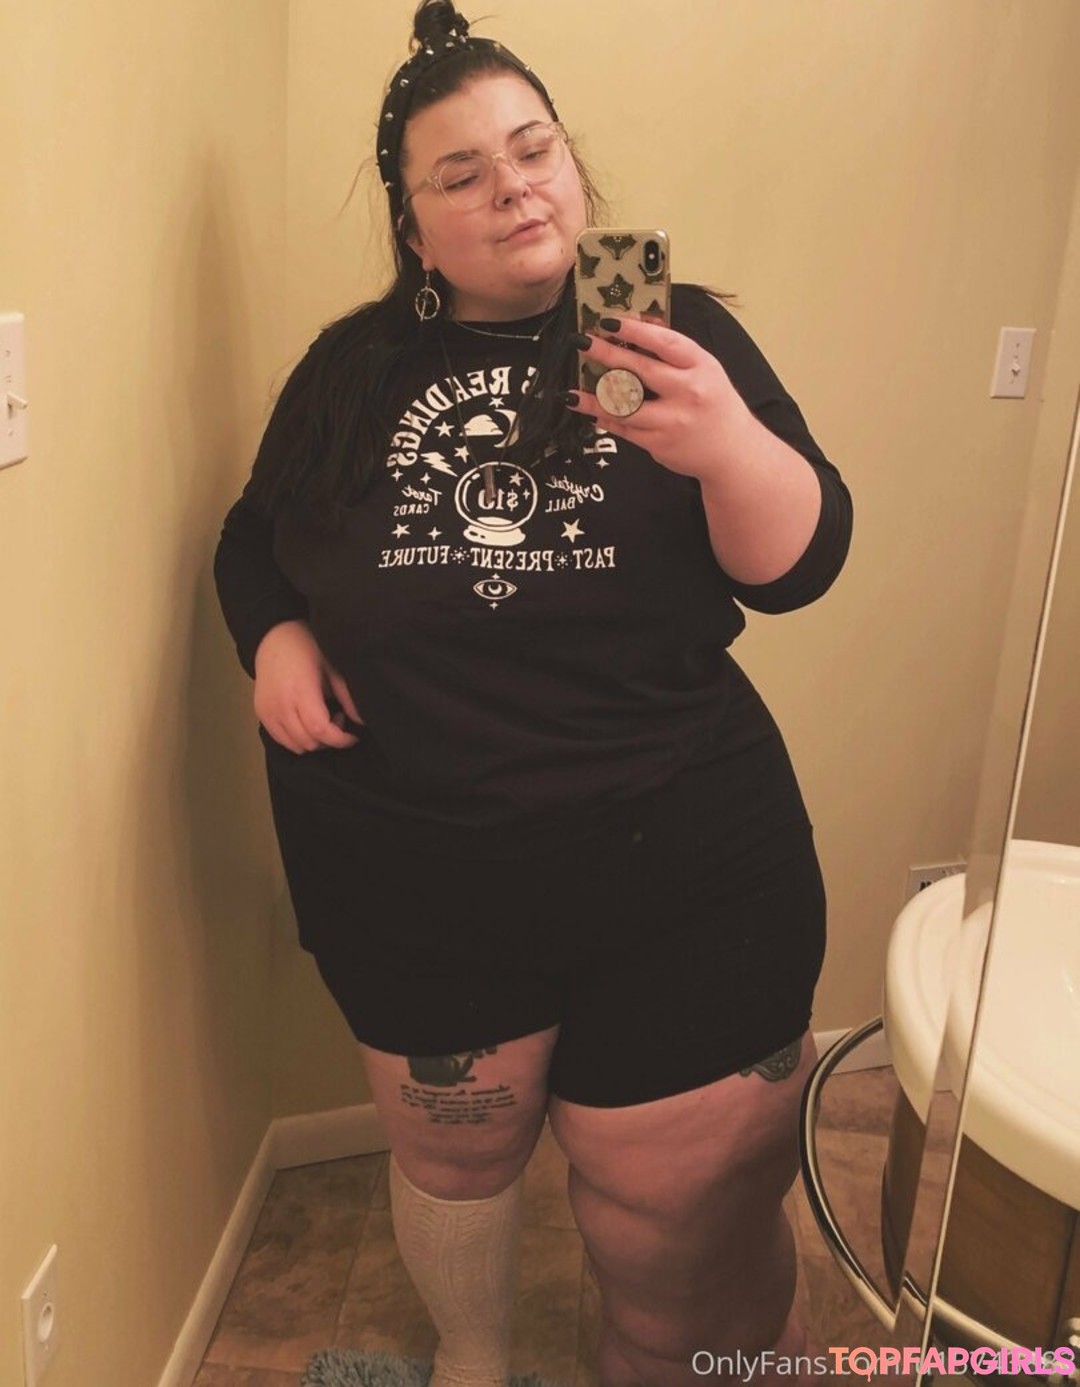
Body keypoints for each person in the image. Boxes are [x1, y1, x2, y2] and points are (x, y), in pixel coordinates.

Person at [214, 3, 852, 1384]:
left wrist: (724, 442)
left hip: (683, 872)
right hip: (416, 880)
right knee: (458, 1168)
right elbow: (253, 539)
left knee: (681, 1255)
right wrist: (275, 637)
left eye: (533, 148)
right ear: (413, 227)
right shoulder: (350, 370)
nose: (512, 187)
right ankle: (476, 1358)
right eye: (462, 173)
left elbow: (801, 567)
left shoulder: (673, 333)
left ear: (572, 164)